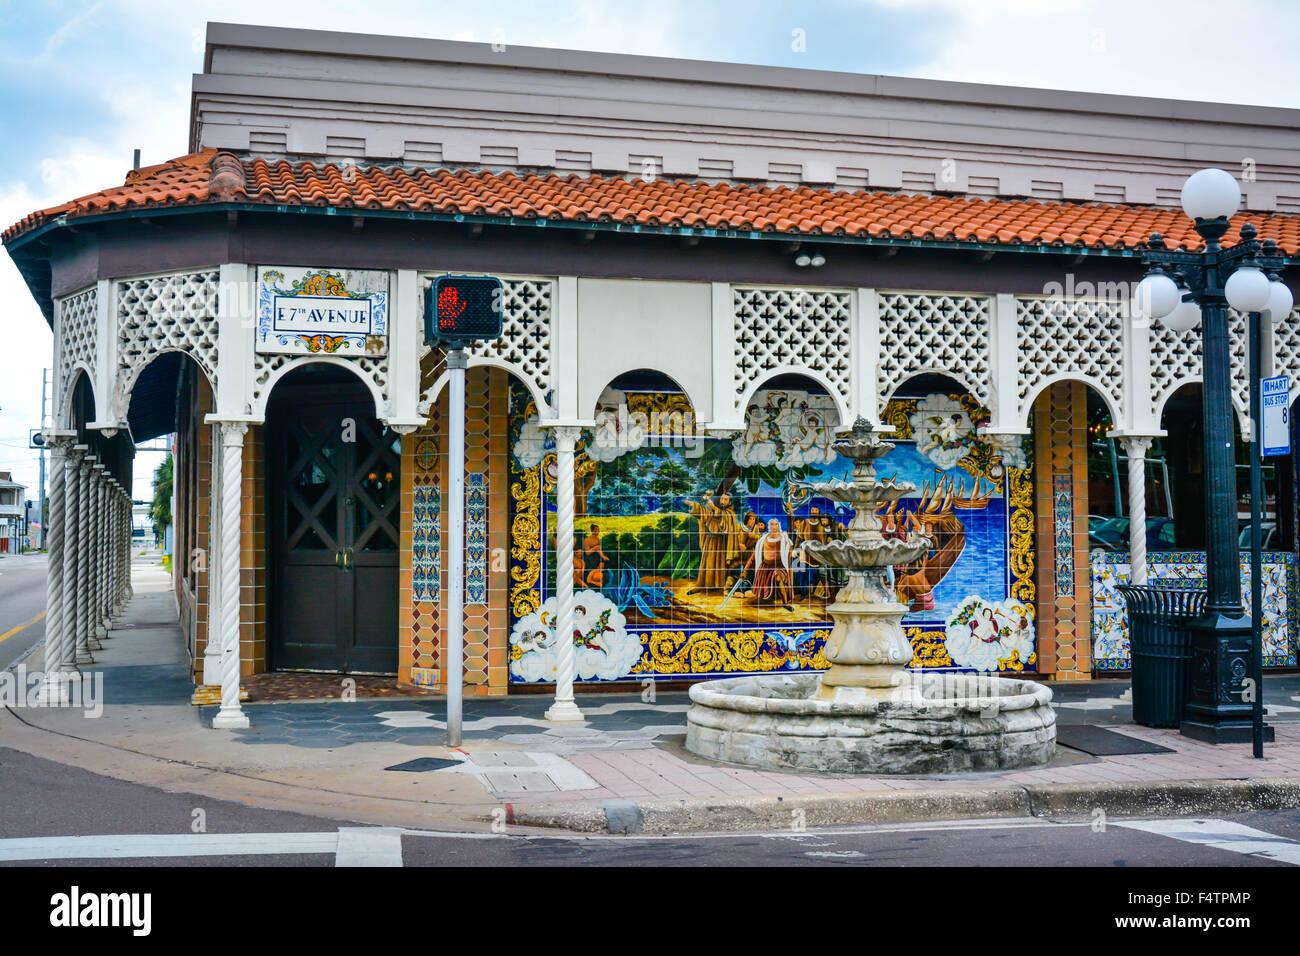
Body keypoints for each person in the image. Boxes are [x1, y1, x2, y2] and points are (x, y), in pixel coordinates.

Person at [687, 493, 745, 592]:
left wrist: (714, 508)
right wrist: (695, 506)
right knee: (706, 563)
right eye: (722, 498)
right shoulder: (715, 510)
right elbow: (706, 515)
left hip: (721, 542)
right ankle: (701, 585)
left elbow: (725, 520)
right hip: (710, 540)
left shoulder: (730, 513)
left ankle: (718, 586)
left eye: (726, 499)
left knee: (719, 564)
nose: (723, 501)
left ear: (729, 502)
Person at [747, 517, 794, 610]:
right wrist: (745, 570)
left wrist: (788, 568)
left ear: (779, 526)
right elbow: (754, 556)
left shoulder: (785, 540)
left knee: (777, 576)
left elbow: (788, 556)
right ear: (769, 526)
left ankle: (785, 603)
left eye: (776, 524)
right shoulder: (763, 540)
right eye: (772, 524)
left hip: (779, 567)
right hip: (765, 567)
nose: (774, 526)